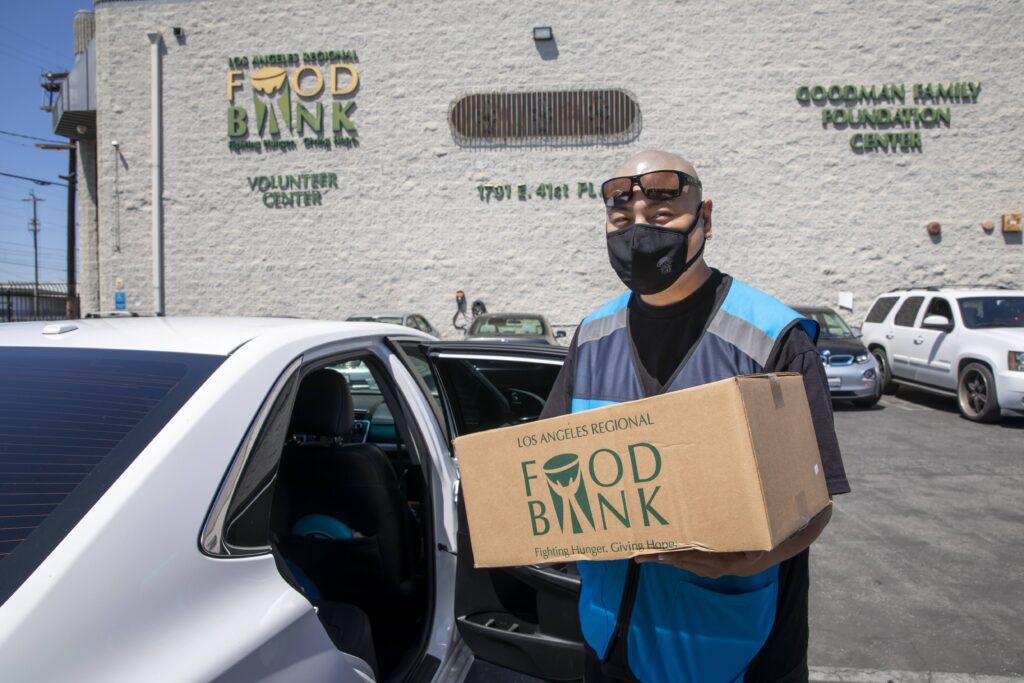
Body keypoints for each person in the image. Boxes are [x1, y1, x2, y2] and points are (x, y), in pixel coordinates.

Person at [540, 150, 850, 682]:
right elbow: (551, 468)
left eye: (661, 217)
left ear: (704, 218)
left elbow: (813, 506)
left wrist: (749, 560)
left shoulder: (772, 338)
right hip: (609, 643)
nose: (639, 231)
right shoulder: (591, 337)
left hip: (736, 650)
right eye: (622, 220)